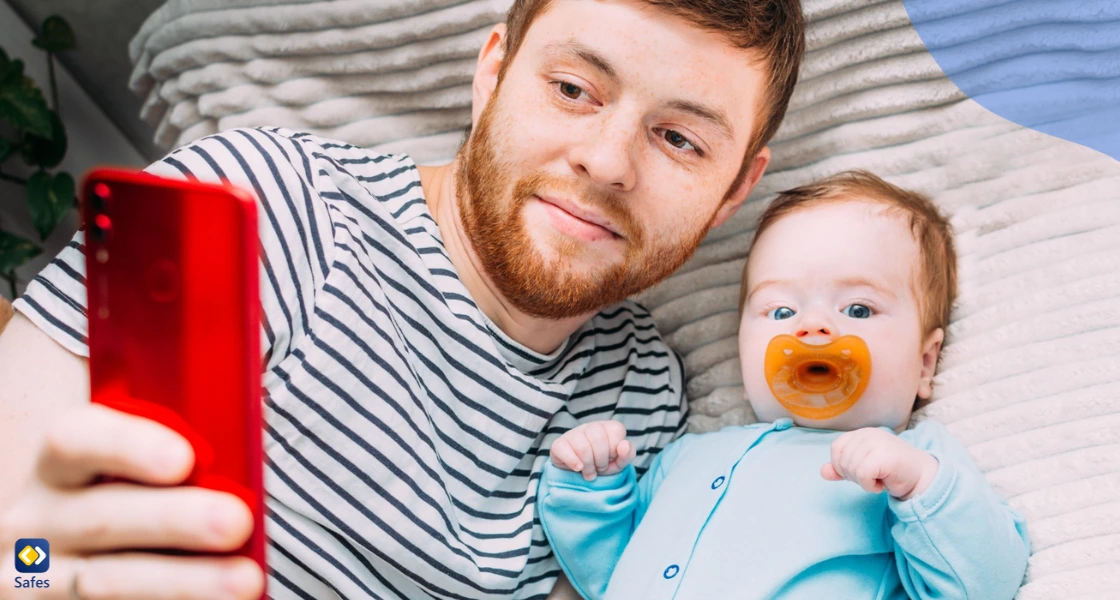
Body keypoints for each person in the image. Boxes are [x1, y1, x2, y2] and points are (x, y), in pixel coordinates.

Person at [0, 0, 805, 598]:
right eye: (572, 88)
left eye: (679, 140)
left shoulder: (644, 397)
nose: (607, 160)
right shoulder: (252, 203)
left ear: (734, 191)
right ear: (492, 72)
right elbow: (20, 526)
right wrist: (30, 576)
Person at [538, 171, 1031, 599]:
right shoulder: (687, 457)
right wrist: (593, 488)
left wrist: (921, 487)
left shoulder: (915, 464)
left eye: (857, 309)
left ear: (926, 363)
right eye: (781, 311)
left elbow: (985, 583)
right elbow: (607, 575)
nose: (813, 328)